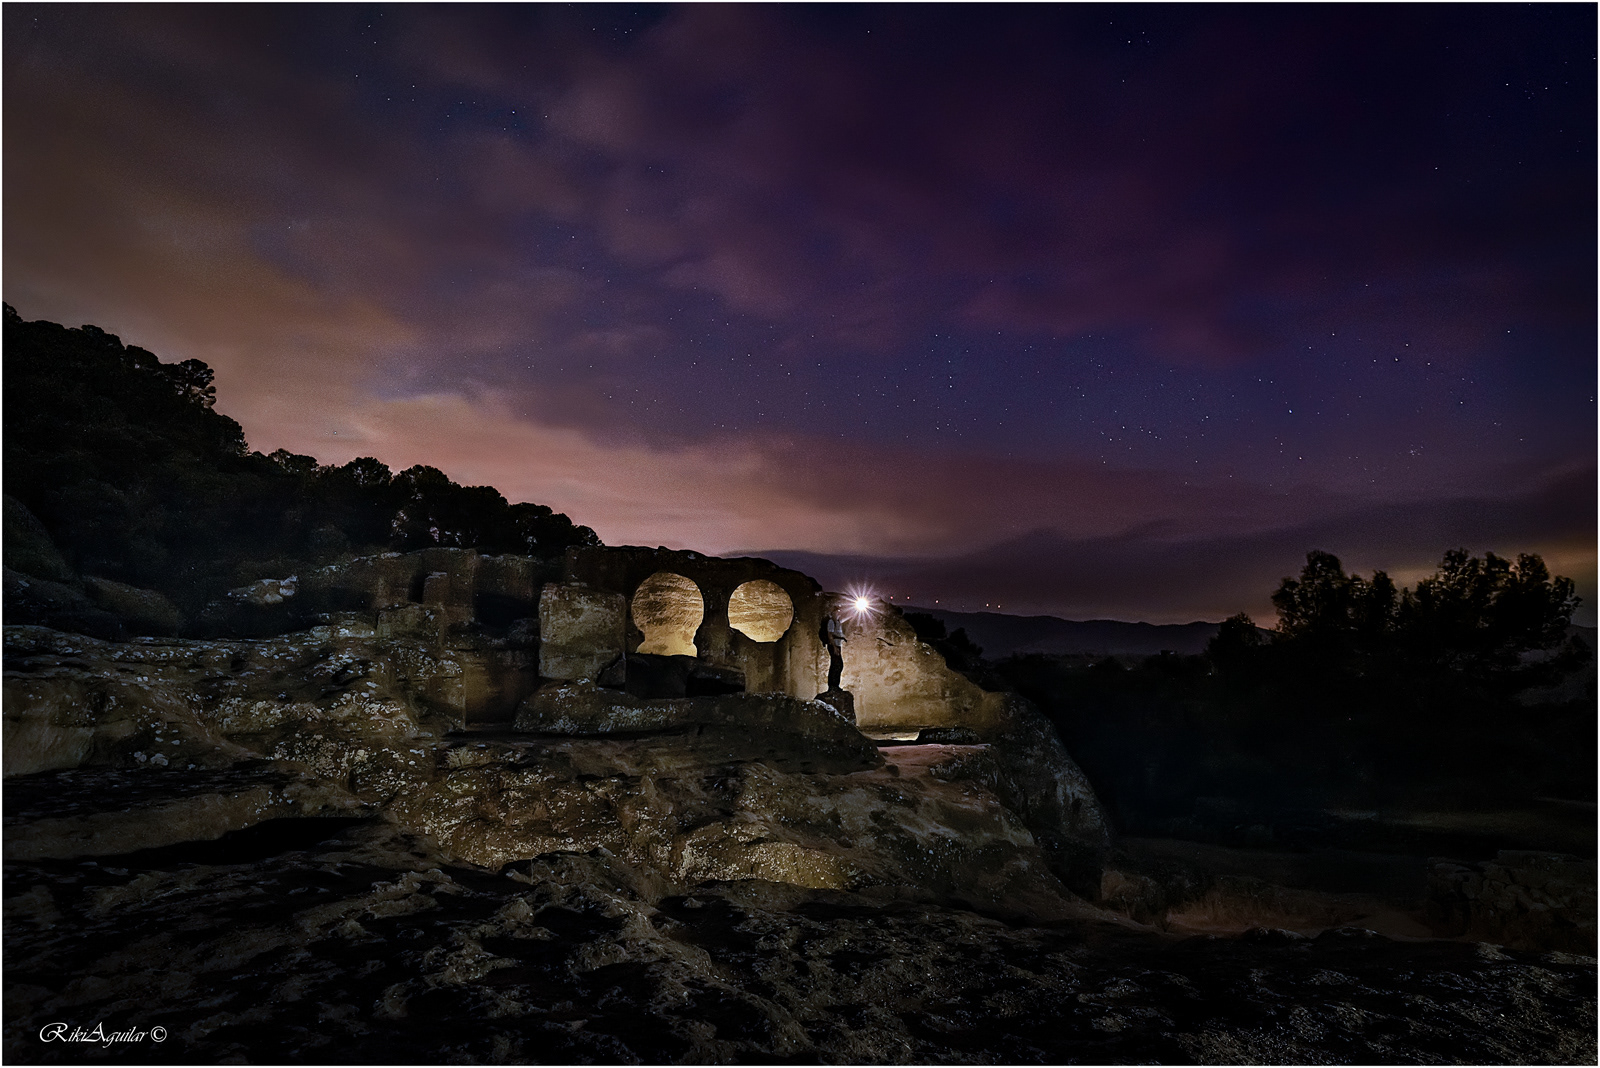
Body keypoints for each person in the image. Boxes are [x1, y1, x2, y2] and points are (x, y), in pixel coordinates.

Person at [820, 604, 847, 690]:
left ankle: (835, 685)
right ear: (833, 612)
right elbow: (830, 635)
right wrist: (834, 647)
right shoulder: (831, 622)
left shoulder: (837, 622)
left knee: (837, 665)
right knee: (836, 665)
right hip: (833, 645)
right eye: (837, 611)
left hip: (837, 645)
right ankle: (833, 686)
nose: (839, 613)